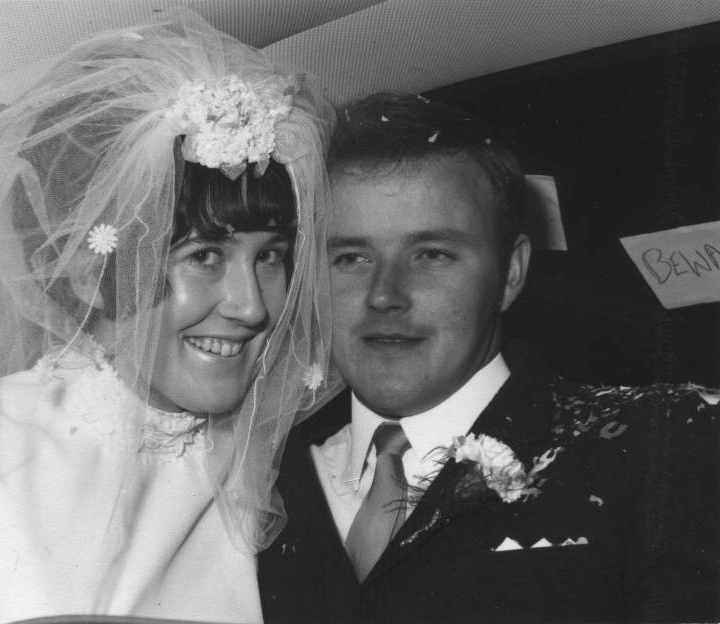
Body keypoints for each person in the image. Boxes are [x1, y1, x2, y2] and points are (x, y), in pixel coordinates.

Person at [0, 10, 338, 623]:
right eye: (204, 256)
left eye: (272, 256)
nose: (251, 305)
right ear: (91, 271)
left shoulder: (274, 470)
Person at [258, 92, 720, 623]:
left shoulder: (668, 441)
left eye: (432, 255)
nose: (385, 295)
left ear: (510, 273)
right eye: (350, 258)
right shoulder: (262, 483)